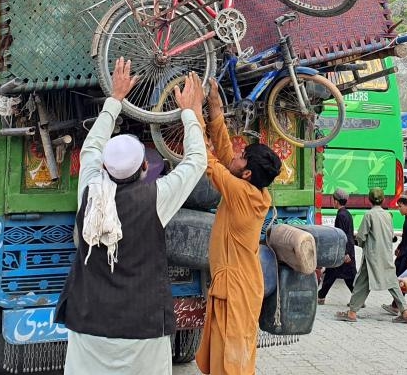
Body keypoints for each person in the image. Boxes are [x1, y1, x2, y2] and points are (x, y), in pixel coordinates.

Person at [57, 61, 207, 374]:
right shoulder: (156, 198)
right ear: (144, 170)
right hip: (143, 327)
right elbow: (196, 162)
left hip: (89, 322)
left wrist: (116, 98)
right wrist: (189, 112)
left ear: (104, 168)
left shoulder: (90, 190)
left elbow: (92, 147)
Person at [196, 80, 282, 375]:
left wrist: (192, 111)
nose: (236, 154)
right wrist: (215, 110)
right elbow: (223, 155)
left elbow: (208, 161)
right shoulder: (252, 188)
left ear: (246, 173)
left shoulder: (242, 194)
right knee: (232, 357)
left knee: (232, 364)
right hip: (238, 285)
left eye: (242, 156)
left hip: (236, 289)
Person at [336, 188, 407, 324]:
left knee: (361, 283)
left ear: (369, 200)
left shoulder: (369, 215)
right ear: (383, 200)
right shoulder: (388, 215)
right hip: (386, 254)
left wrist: (361, 244)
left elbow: (361, 236)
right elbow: (390, 235)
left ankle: (352, 312)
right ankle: (405, 311)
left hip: (372, 256)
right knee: (392, 282)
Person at [317, 188, 356, 304]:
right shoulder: (347, 214)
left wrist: (345, 253)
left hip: (343, 251)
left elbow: (343, 235)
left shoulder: (341, 216)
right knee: (338, 275)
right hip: (346, 250)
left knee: (336, 275)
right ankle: (321, 296)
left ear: (336, 201)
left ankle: (321, 296)